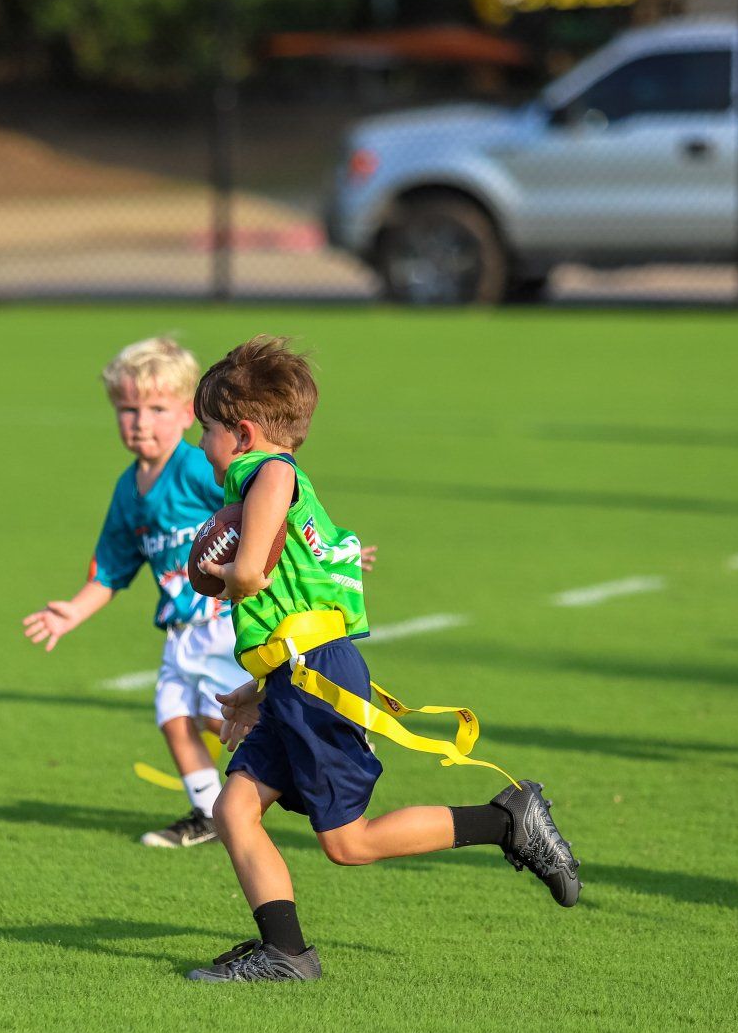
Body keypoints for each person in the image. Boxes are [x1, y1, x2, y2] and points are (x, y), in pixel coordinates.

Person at [184, 336, 579, 984]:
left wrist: (214, 573)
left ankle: (507, 821)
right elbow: (296, 598)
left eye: (209, 430)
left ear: (244, 432)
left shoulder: (272, 475)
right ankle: (286, 954)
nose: (204, 444)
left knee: (349, 843)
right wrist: (259, 690)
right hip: (297, 676)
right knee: (234, 811)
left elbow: (253, 575)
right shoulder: (276, 483)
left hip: (316, 678)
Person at [21, 337, 240, 849]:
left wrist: (317, 545)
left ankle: (314, 743)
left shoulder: (195, 468)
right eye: (128, 409)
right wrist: (72, 612)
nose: (140, 421)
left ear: (189, 413)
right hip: (180, 631)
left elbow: (261, 505)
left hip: (223, 620)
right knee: (173, 716)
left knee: (224, 717)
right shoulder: (129, 489)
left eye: (157, 408)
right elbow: (112, 569)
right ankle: (209, 813)